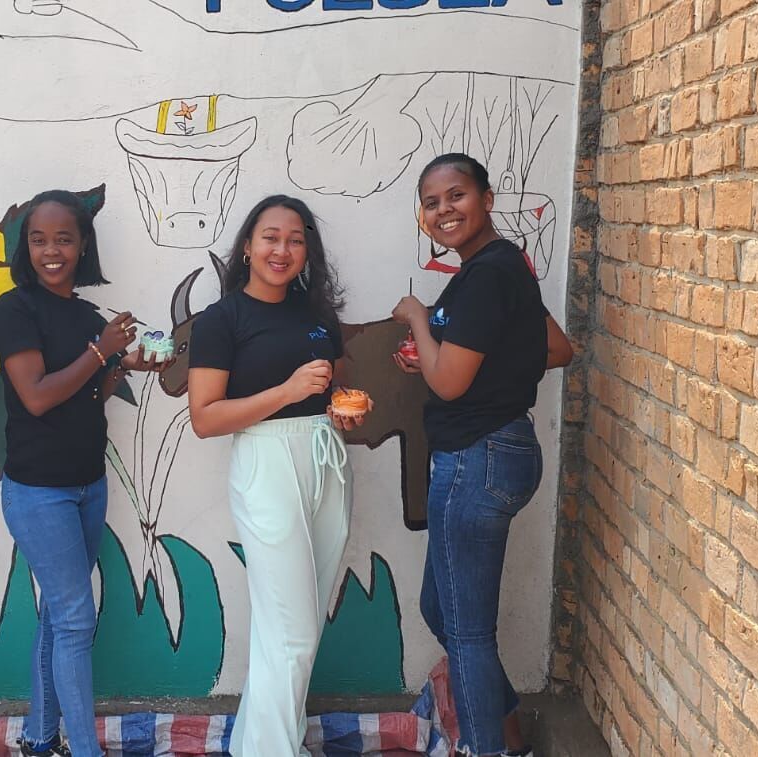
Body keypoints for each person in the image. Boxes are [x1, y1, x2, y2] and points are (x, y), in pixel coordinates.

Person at [392, 153, 573, 757]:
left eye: (457, 195)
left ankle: (485, 748)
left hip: (477, 457)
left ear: (487, 199)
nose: (444, 210)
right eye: (431, 202)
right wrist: (448, 356)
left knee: (466, 630)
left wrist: (419, 320)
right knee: (438, 607)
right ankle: (509, 733)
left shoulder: (487, 274)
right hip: (499, 450)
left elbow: (448, 384)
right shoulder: (499, 267)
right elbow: (554, 347)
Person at [0, 190, 168, 757]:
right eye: (38, 240)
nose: (51, 251)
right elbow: (38, 397)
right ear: (24, 248)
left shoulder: (86, 315)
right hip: (38, 491)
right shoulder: (13, 310)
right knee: (73, 620)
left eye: (63, 239)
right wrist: (100, 349)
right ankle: (85, 749)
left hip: (89, 484)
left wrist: (124, 366)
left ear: (83, 244)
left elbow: (87, 396)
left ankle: (40, 738)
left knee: (59, 617)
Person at [186, 195, 365, 757]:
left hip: (326, 458)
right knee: (294, 633)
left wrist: (342, 409)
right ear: (247, 246)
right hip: (266, 464)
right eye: (270, 237)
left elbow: (331, 390)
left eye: (295, 239)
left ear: (307, 250)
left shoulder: (317, 317)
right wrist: (287, 392)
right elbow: (205, 418)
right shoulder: (222, 320)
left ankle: (256, 746)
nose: (281, 250)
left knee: (291, 627)